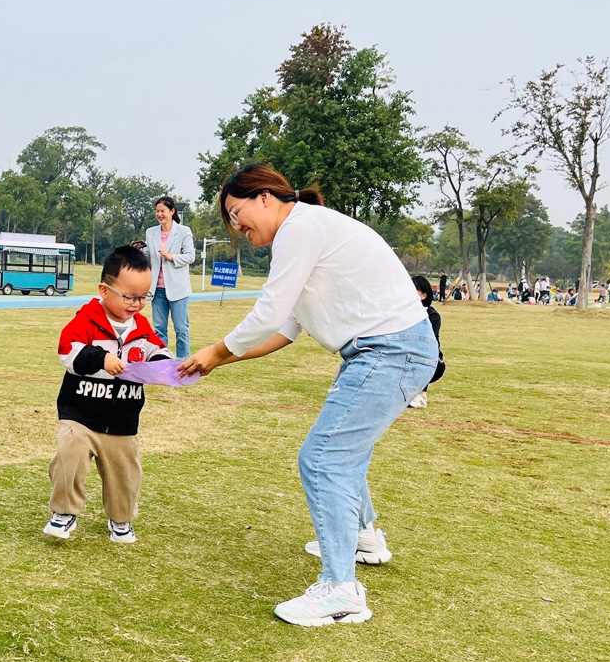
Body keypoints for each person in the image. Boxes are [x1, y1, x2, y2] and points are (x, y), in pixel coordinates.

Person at [179, 164, 436, 627]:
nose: (236, 227)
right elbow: (283, 329)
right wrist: (215, 361)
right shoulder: (305, 232)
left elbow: (267, 313)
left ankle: (340, 591)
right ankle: (363, 538)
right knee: (344, 453)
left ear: (264, 197)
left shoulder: (300, 228)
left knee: (323, 458)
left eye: (236, 213)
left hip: (391, 351)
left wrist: (216, 350)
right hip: (383, 351)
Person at [44, 245, 173, 545]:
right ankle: (64, 512)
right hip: (80, 415)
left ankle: (121, 519)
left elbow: (158, 350)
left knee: (125, 474)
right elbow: (67, 352)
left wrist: (165, 366)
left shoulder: (142, 327)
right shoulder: (86, 320)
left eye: (143, 297)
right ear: (105, 290)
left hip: (122, 421)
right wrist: (100, 358)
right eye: (129, 297)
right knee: (68, 457)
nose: (137, 304)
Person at [144, 197, 195, 359]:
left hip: (178, 288)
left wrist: (170, 256)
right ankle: (161, 359)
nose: (159, 214)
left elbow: (190, 256)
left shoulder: (184, 231)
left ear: (172, 211)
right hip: (157, 289)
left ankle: (183, 361)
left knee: (181, 328)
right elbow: (148, 256)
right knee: (159, 329)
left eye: (163, 211)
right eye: (157, 211)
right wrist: (138, 250)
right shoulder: (150, 232)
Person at [408, 274, 445, 408]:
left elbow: (427, 344)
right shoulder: (402, 313)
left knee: (420, 353)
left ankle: (422, 396)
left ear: (423, 295)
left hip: (432, 362)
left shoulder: (432, 316)